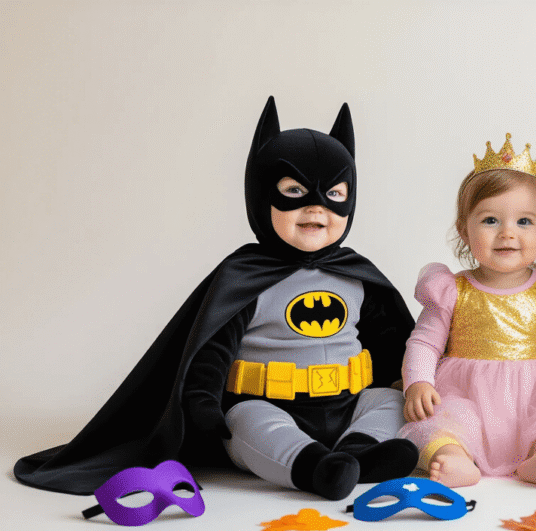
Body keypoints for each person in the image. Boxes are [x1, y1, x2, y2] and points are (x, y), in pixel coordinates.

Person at [14, 97, 418, 500]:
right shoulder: (245, 276)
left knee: (390, 399)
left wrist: (416, 381)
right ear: (261, 194)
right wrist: (202, 400)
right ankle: (314, 468)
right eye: (293, 191)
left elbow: (389, 339)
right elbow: (213, 347)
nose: (316, 207)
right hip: (270, 405)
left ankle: (359, 453)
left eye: (333, 193)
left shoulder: (356, 273)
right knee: (247, 423)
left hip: (348, 403)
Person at [400, 134, 536, 488]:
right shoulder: (450, 289)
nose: (507, 233)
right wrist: (418, 383)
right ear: (464, 229)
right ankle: (452, 458)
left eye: (524, 222)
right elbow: (424, 343)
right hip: (466, 394)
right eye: (489, 221)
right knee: (437, 424)